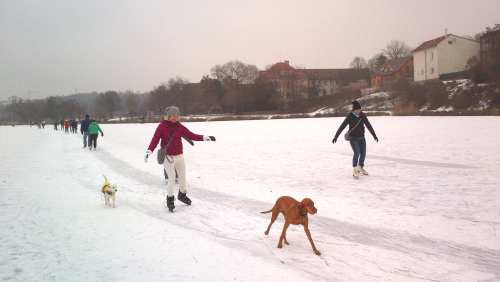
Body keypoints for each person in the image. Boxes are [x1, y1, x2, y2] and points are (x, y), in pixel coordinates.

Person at [144, 106, 216, 211]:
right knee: (172, 178)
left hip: (179, 155)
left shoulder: (179, 126)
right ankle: (170, 199)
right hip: (167, 157)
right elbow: (155, 140)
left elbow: (191, 135)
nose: (175, 118)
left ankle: (182, 195)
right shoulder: (161, 127)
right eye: (173, 116)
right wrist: (149, 151)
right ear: (168, 116)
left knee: (183, 177)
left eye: (177, 116)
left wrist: (205, 137)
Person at [332, 101, 378, 179]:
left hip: (362, 138)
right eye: (357, 110)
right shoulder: (350, 116)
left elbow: (368, 126)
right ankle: (355, 169)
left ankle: (360, 167)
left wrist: (374, 136)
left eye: (359, 109)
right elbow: (342, 126)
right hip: (353, 138)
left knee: (363, 153)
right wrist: (336, 137)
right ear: (354, 110)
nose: (358, 111)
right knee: (357, 152)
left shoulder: (362, 116)